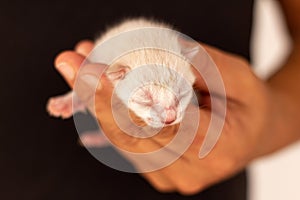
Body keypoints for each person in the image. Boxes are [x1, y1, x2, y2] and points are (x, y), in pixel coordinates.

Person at [1, 0, 299, 199]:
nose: (170, 116)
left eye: (182, 94)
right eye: (148, 100)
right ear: (117, 75)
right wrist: (75, 97)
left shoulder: (178, 62)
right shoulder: (111, 66)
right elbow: (95, 81)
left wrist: (271, 119)